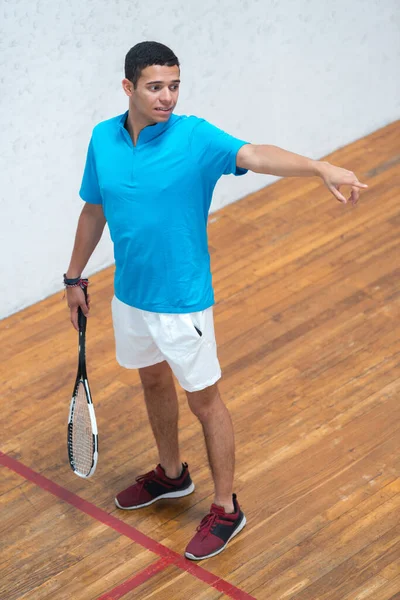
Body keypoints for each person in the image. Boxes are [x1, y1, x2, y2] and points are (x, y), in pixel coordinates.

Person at [64, 41, 367, 561]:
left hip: (182, 301)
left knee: (204, 401)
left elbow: (253, 154)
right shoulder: (102, 140)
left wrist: (319, 167)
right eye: (156, 86)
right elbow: (95, 209)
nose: (167, 98)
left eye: (174, 86)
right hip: (130, 296)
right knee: (152, 378)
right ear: (128, 87)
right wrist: (73, 277)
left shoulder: (194, 137)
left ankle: (226, 507)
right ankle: (172, 475)